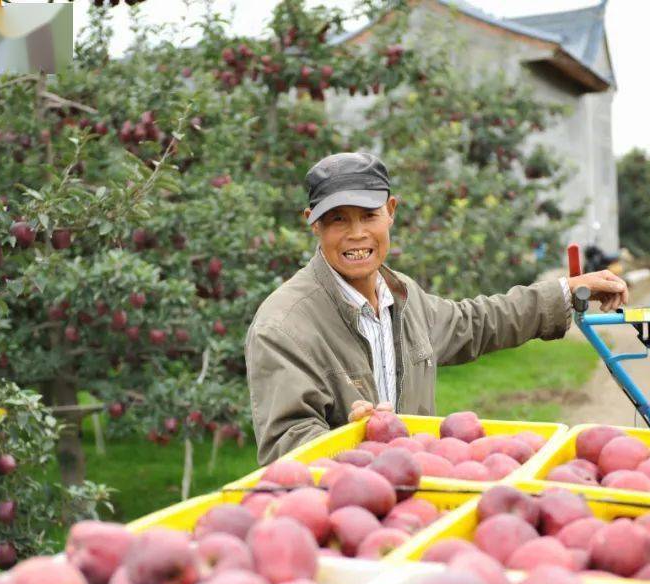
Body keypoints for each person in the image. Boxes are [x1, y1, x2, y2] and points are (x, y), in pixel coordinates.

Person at [245, 152, 628, 464]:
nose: (356, 233)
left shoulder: (404, 297)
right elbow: (286, 446)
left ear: (391, 211)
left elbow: (477, 322)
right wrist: (354, 441)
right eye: (337, 219)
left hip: (417, 491)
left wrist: (566, 290)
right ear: (312, 224)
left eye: (369, 215)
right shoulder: (284, 325)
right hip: (345, 513)